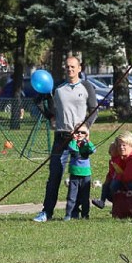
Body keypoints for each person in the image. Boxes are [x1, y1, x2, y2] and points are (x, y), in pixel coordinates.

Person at [33, 57, 98, 222]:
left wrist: (86, 126)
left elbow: (94, 110)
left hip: (79, 140)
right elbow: (44, 103)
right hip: (61, 138)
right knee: (54, 176)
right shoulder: (59, 88)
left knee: (81, 178)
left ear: (79, 68)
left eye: (72, 67)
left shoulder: (87, 86)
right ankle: (46, 212)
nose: (70, 69)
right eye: (67, 67)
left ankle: (78, 213)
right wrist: (50, 116)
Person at [93, 131, 132, 213]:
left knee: (114, 184)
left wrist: (115, 177)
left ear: (131, 145)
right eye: (119, 145)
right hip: (130, 185)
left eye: (124, 145)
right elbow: (114, 173)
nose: (121, 147)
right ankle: (117, 206)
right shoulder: (121, 157)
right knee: (109, 186)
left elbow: (127, 178)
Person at [63, 127, 96, 220]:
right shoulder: (72, 143)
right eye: (78, 132)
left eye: (83, 132)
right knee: (71, 196)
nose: (80, 134)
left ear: (86, 134)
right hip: (74, 174)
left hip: (86, 174)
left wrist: (88, 140)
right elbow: (72, 149)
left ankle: (85, 215)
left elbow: (93, 149)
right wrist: (74, 139)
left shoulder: (86, 144)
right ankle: (69, 214)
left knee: (85, 197)